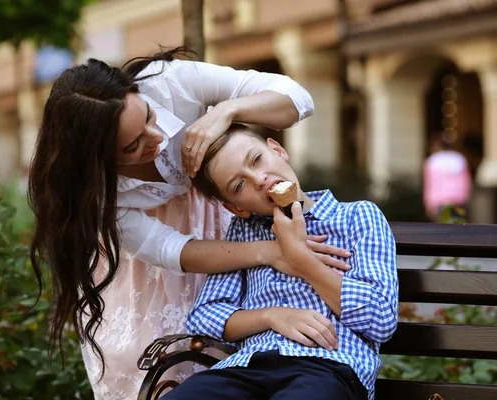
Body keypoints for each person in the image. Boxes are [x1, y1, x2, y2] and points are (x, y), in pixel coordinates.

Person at [27, 48, 354, 399]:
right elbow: (169, 248)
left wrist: (228, 111)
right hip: (159, 267)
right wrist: (269, 252)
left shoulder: (171, 83)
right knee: (160, 367)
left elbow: (297, 99)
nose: (157, 138)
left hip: (226, 223)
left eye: (150, 117)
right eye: (133, 145)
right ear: (98, 158)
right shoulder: (95, 192)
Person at [161, 124, 398, 400]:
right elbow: (204, 317)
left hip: (327, 366)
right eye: (239, 185)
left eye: (257, 160)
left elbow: (381, 320)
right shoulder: (244, 232)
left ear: (277, 149)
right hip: (247, 368)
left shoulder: (358, 216)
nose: (258, 179)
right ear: (237, 207)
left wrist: (301, 260)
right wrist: (272, 316)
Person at [423, 133, 472, 221]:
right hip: (458, 200)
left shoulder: (432, 161)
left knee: (440, 228)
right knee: (457, 225)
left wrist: (428, 204)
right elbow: (466, 183)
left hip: (438, 202)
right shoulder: (460, 159)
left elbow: (430, 185)